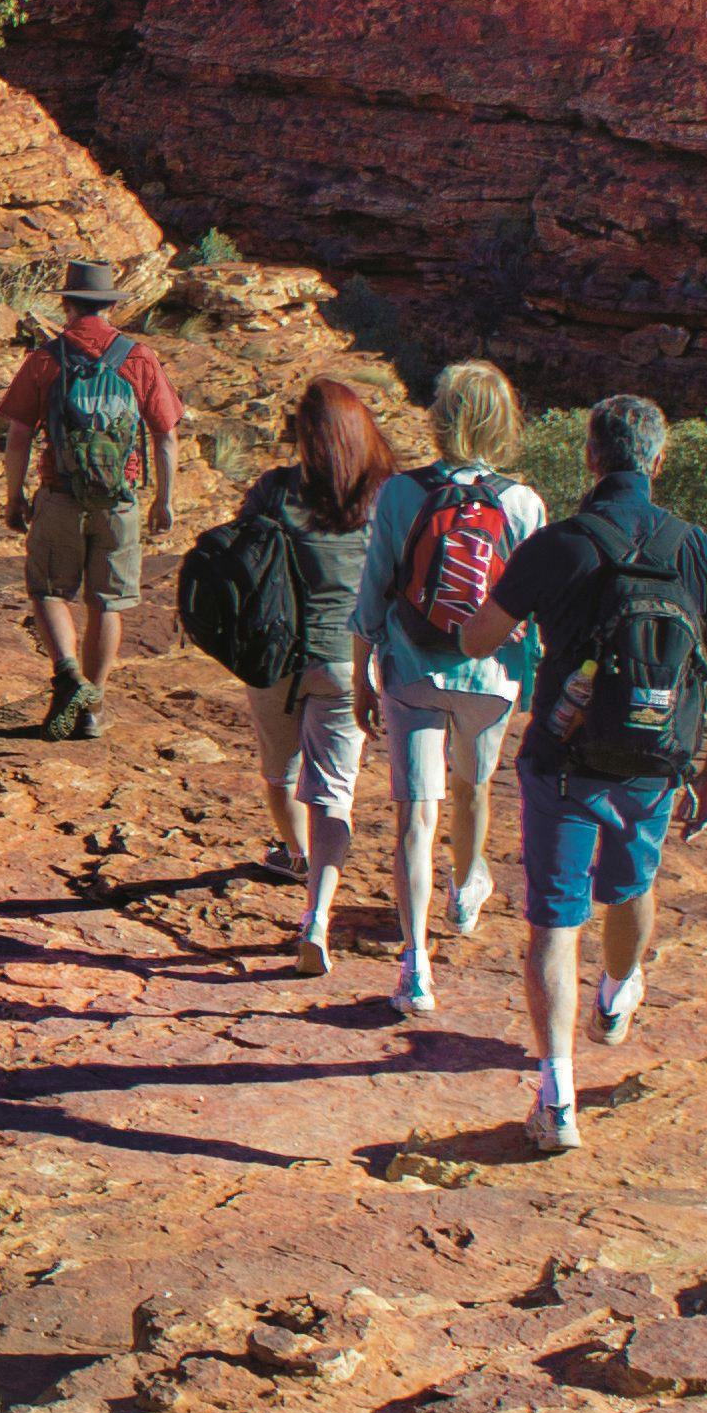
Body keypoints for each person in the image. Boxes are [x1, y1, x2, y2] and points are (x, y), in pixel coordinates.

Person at [456, 393, 707, 1155]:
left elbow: (480, 636)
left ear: (590, 457)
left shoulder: (559, 545)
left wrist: (462, 623)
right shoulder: (699, 550)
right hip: (656, 760)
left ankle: (557, 1099)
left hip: (563, 760)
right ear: (658, 459)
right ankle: (618, 993)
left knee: (555, 925)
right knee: (632, 886)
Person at [351, 360, 545, 1022]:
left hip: (412, 668)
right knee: (473, 786)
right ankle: (466, 890)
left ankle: (415, 970)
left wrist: (361, 672)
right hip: (491, 678)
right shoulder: (522, 503)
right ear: (502, 421)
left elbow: (375, 587)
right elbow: (528, 604)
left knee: (416, 814)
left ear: (440, 417)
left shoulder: (402, 495)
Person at [232, 378, 393, 975]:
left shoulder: (275, 490)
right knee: (334, 795)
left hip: (273, 655)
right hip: (346, 660)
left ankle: (294, 854)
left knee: (279, 770)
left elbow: (239, 555)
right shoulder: (381, 499)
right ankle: (318, 916)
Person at [0, 258, 181, 739]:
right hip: (119, 502)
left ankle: (68, 675)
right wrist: (164, 500)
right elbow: (165, 435)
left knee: (49, 591)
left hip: (59, 494)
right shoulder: (139, 358)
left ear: (69, 305)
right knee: (107, 603)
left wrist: (14, 499)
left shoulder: (46, 358)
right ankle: (92, 709)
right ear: (109, 306)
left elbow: (17, 436)